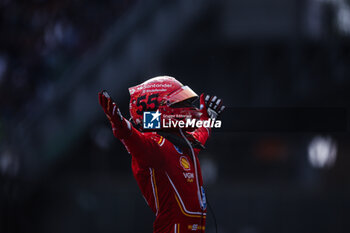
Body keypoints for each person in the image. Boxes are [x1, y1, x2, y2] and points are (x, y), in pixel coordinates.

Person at [98, 76, 224, 233]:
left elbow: (199, 136)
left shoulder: (180, 142)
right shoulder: (155, 146)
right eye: (180, 103)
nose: (187, 109)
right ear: (160, 108)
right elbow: (135, 142)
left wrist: (207, 117)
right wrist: (120, 125)